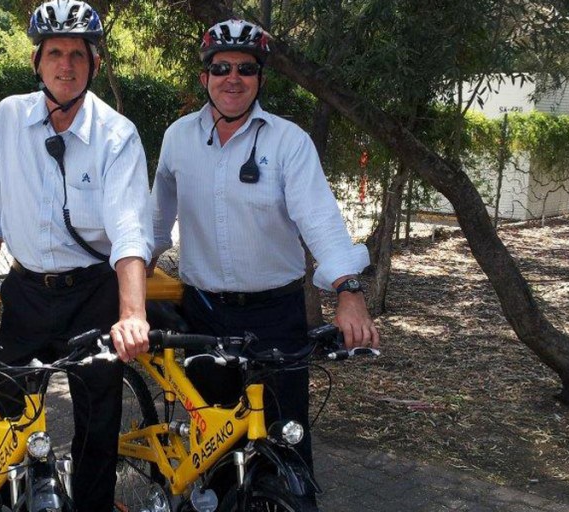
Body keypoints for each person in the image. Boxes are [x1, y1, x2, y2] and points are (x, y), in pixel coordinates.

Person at [149, 18, 381, 505]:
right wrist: (123, 289)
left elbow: (319, 219)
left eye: (247, 68)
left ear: (260, 78)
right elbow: (153, 225)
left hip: (275, 315)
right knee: (213, 447)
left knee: (287, 442)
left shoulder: (287, 142)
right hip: (204, 314)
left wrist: (348, 291)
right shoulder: (177, 139)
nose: (233, 77)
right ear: (204, 76)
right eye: (221, 67)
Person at [0, 1, 151, 509]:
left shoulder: (117, 135)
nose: (66, 65)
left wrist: (131, 315)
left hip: (92, 293)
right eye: (55, 53)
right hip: (26, 291)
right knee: (5, 415)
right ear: (37, 62)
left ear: (95, 65)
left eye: (78, 56)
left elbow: (129, 231)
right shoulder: (9, 116)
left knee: (98, 419)